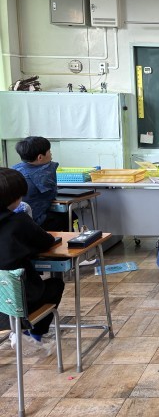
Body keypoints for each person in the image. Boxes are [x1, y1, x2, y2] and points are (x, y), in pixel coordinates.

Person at [0, 168, 65, 355]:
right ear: (14, 198)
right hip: (19, 307)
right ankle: (33, 335)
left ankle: (18, 333)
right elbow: (46, 242)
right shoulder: (19, 221)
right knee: (55, 285)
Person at [12, 136, 67, 230]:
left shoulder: (14, 169)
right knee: (69, 216)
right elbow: (51, 195)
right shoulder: (44, 173)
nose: (51, 153)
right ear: (40, 157)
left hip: (14, 221)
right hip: (36, 221)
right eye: (49, 151)